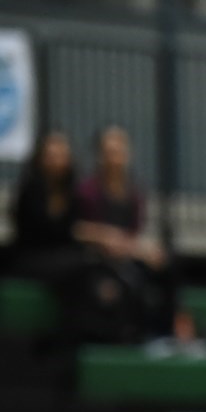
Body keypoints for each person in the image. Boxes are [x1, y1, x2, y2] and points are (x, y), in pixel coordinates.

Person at [74, 124, 189, 342]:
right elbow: (75, 229)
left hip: (125, 255)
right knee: (117, 289)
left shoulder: (134, 193)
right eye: (109, 152)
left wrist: (144, 251)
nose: (115, 157)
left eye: (119, 151)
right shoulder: (86, 190)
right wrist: (103, 236)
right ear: (100, 155)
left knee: (166, 264)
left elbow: (132, 235)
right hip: (95, 259)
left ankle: (167, 330)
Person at [6, 129, 82, 276]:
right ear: (40, 159)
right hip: (32, 256)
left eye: (61, 156)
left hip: (66, 257)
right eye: (51, 156)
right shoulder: (29, 192)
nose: (56, 162)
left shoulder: (74, 193)